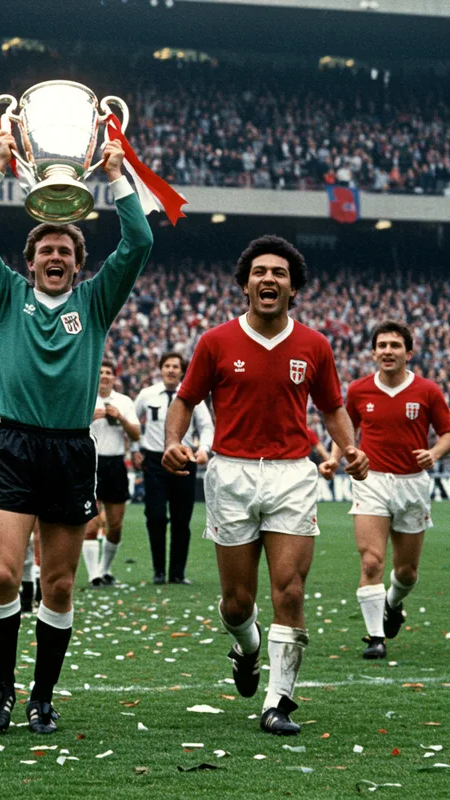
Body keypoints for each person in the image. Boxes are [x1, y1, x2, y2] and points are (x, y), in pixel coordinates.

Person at [0, 130, 153, 735]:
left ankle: (42, 695)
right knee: (7, 576)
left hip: (70, 450)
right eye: (46, 249)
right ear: (31, 259)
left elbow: (138, 239)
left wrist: (117, 175)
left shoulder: (95, 302)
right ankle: (2, 691)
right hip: (13, 446)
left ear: (78, 261)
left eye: (66, 249)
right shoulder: (6, 293)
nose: (56, 257)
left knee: (61, 583)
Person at [162, 234, 369, 736]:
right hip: (230, 473)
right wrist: (173, 439)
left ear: (293, 287)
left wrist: (350, 448)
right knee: (237, 602)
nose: (269, 278)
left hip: (291, 475)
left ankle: (279, 702)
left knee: (291, 591)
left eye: (279, 273)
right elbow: (186, 399)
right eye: (260, 272)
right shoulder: (215, 341)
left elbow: (332, 407)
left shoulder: (314, 345)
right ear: (245, 284)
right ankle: (247, 647)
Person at [320, 320, 450, 660]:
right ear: (374, 351)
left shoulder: (428, 391)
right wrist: (335, 460)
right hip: (371, 481)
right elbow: (345, 430)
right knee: (371, 562)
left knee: (406, 572)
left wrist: (434, 453)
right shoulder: (360, 390)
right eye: (382, 345)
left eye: (395, 345)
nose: (387, 351)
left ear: (409, 352)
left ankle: (393, 603)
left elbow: (447, 432)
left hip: (412, 485)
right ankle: (376, 637)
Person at [134, 352, 213, 584]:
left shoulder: (191, 396)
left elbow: (206, 426)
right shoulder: (147, 394)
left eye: (175, 367)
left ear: (182, 371)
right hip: (155, 461)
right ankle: (159, 571)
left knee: (181, 518)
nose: (170, 370)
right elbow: (132, 418)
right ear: (160, 369)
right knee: (155, 516)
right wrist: (136, 448)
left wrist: (205, 449)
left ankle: (177, 573)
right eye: (167, 366)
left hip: (184, 458)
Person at [83, 360, 140, 587]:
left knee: (115, 526)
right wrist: (89, 418)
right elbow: (67, 427)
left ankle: (104, 570)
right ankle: (93, 575)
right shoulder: (85, 398)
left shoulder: (124, 402)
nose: (105, 376)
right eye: (101, 372)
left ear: (114, 378)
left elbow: (136, 434)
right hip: (89, 464)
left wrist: (122, 419)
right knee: (91, 525)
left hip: (116, 463)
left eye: (109, 372)